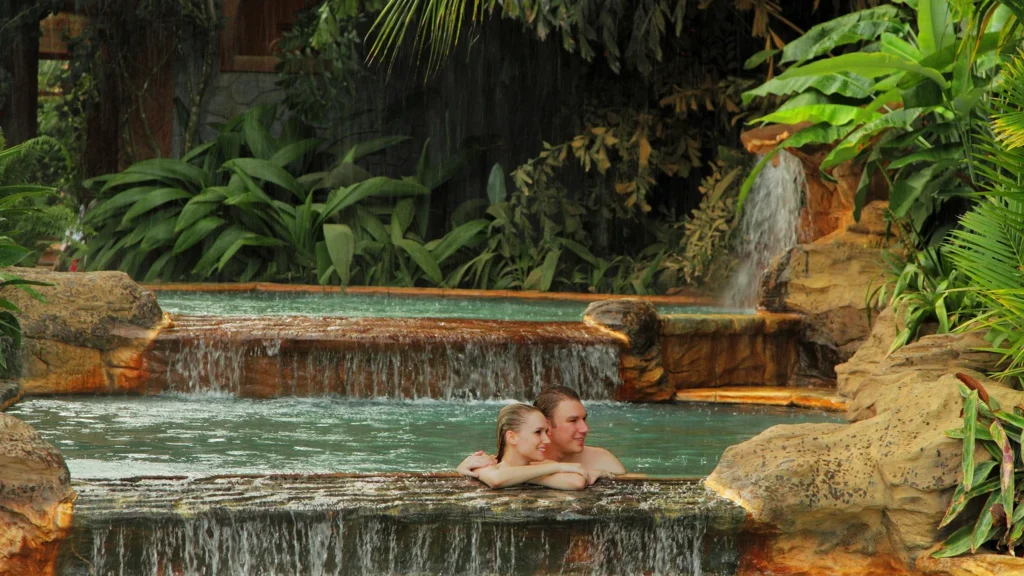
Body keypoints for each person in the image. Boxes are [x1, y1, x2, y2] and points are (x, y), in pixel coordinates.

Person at [458, 386, 626, 483]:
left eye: (584, 419)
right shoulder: (503, 461)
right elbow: (497, 473)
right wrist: (461, 468)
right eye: (573, 421)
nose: (585, 428)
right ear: (546, 424)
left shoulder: (601, 458)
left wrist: (604, 473)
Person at [475, 403, 590, 490]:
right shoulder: (486, 462)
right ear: (512, 437)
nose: (547, 440)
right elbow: (496, 479)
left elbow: (577, 482)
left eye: (546, 432)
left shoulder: (543, 465)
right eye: (538, 432)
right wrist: (559, 467)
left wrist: (521, 476)